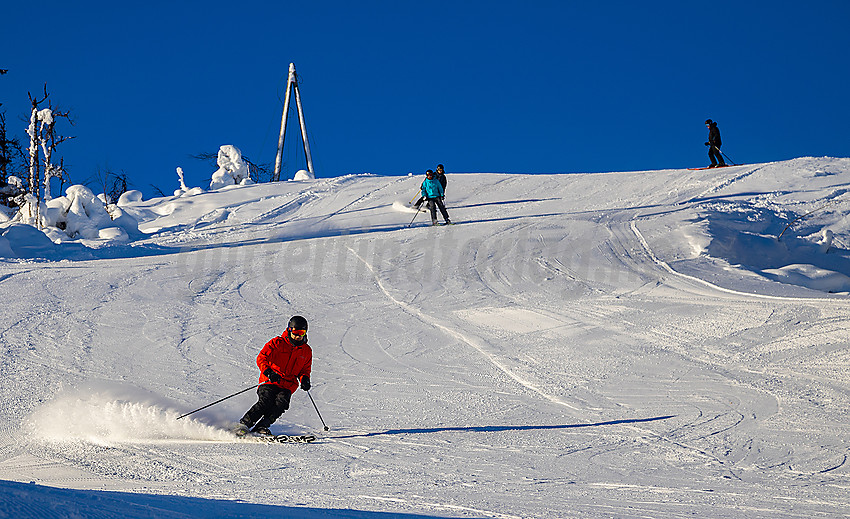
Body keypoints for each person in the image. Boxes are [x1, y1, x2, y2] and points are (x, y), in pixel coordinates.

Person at [236, 315, 313, 436]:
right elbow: (262, 358)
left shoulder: (306, 350)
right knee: (266, 401)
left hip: (288, 385)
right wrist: (269, 372)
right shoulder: (277, 343)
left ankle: (261, 427)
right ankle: (244, 424)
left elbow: (304, 370)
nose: (298, 336)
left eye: (302, 332)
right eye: (296, 332)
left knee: (281, 404)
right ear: (289, 330)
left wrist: (305, 380)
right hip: (270, 381)